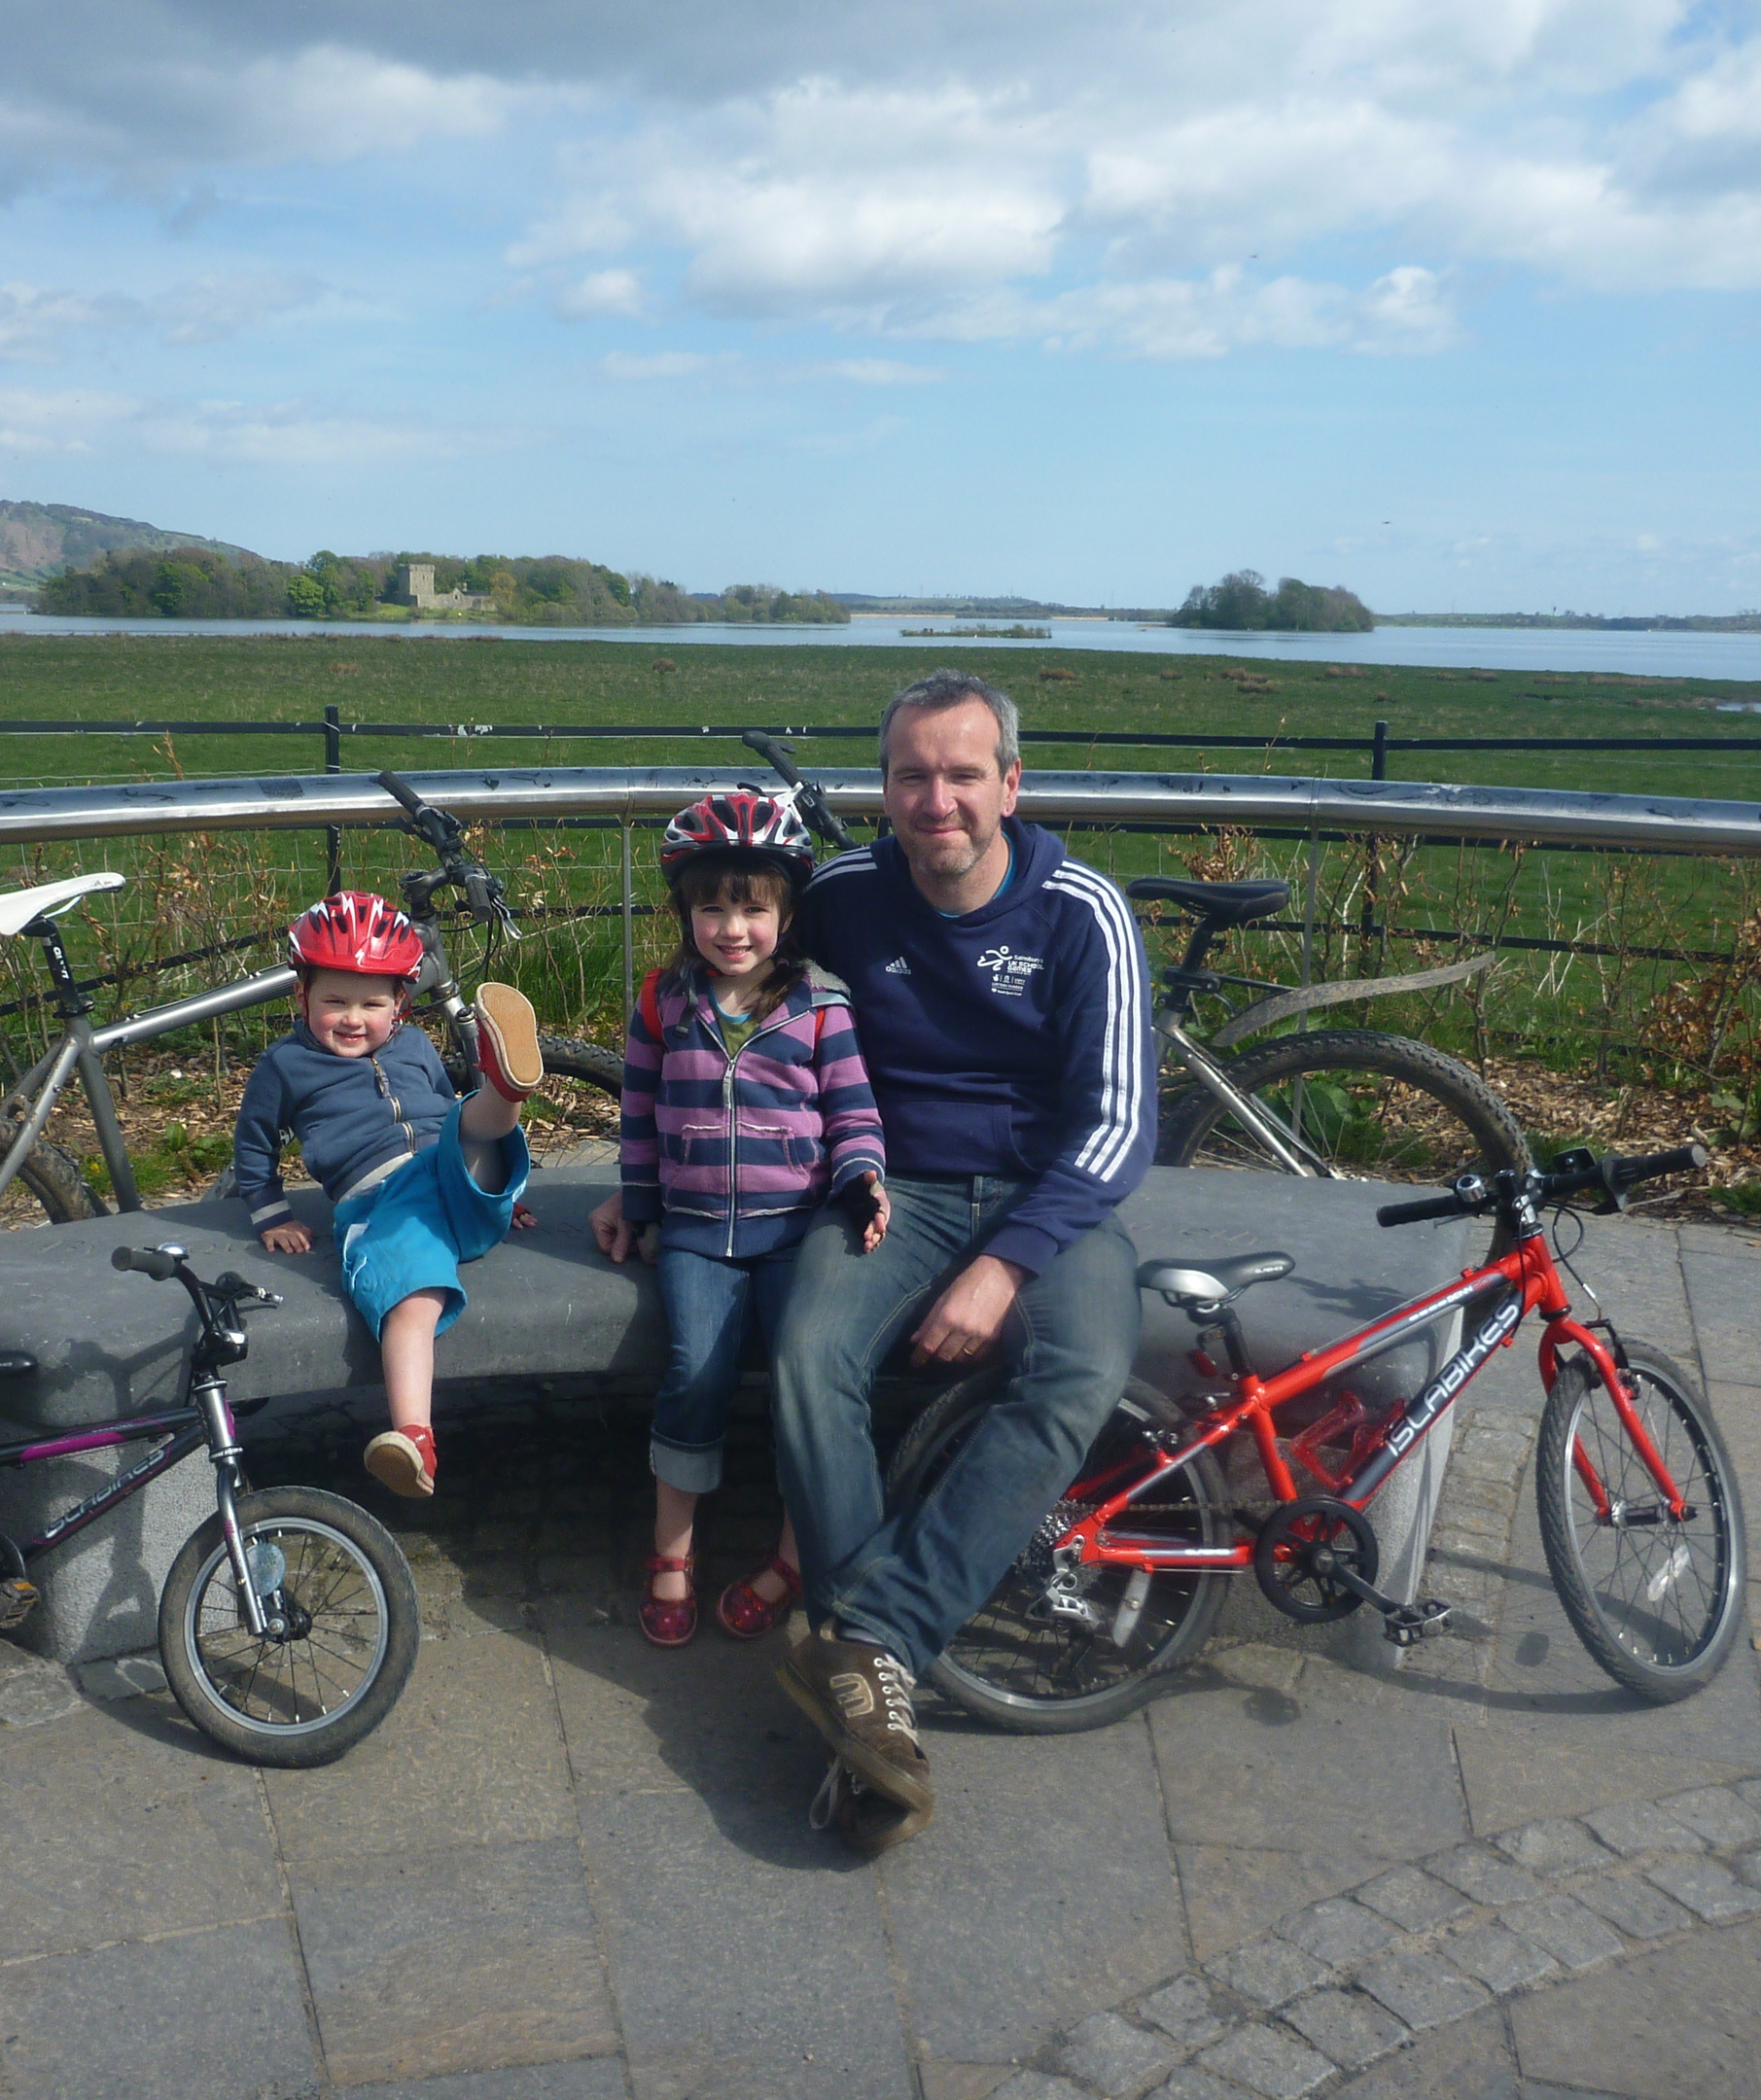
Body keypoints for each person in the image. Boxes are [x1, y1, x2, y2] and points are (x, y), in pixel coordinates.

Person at [594, 670, 1155, 1854]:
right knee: (808, 1354)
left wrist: (1006, 1264)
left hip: (1050, 1204)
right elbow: (719, 967)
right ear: (884, 786)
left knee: (1075, 1373)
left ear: (1012, 783)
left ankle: (870, 1640)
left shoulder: (1081, 911)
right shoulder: (844, 897)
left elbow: (1116, 1126)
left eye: (962, 774)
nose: (934, 799)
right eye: (911, 775)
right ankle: (872, 1688)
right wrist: (638, 1182)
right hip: (883, 1195)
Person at [610, 791, 891, 1649]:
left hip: (793, 1229)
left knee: (802, 1388)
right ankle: (672, 1552)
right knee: (695, 1372)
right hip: (696, 1229)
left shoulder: (819, 1005)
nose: (733, 927)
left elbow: (852, 1110)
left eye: (753, 907)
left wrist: (863, 1177)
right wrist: (637, 1203)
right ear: (685, 913)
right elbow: (637, 1112)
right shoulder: (663, 1002)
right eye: (711, 906)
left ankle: (792, 1557)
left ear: (786, 912)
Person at [233, 892, 544, 1498]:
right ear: (301, 997)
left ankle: (503, 1095)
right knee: (413, 1297)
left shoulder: (415, 1046)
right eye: (333, 1002)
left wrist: (497, 1202)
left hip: (448, 1172)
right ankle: (414, 1438)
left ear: (400, 1004)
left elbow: (435, 1105)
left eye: (372, 1003)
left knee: (457, 1126)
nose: (353, 1019)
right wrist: (272, 1215)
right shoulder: (285, 1065)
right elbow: (253, 1147)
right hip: (384, 1199)